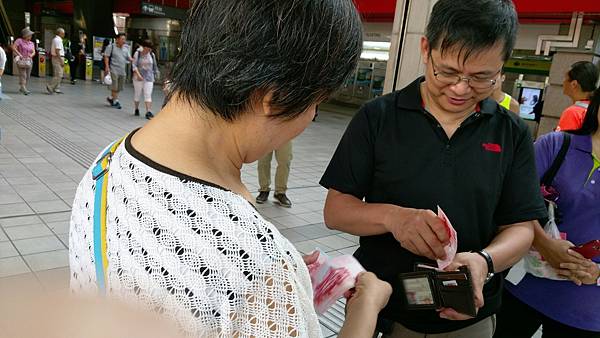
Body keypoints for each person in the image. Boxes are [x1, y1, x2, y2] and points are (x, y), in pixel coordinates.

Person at [69, 1, 392, 337]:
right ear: (275, 98)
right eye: (316, 103)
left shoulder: (107, 162)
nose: (311, 117)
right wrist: (364, 309)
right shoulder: (257, 266)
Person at [319, 0, 547, 336]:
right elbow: (336, 211)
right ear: (426, 48)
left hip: (470, 314)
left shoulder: (511, 132)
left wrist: (484, 262)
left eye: (482, 77)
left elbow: (522, 228)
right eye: (448, 71)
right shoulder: (378, 118)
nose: (460, 88)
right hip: (384, 307)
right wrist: (393, 218)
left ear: (502, 67)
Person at [495, 89, 600, 338]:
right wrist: (545, 244)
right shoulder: (556, 145)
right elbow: (509, 201)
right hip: (521, 287)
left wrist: (597, 273)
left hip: (585, 310)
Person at [556, 61, 599, 132]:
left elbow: (562, 142)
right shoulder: (596, 110)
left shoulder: (573, 113)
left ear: (574, 84)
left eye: (566, 79)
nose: (563, 82)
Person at [256, 142, 293, 207]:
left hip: (285, 135)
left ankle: (280, 192)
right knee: (263, 162)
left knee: (285, 162)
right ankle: (264, 190)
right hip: (265, 135)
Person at [132, 39, 159, 119]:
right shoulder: (138, 53)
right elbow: (134, 65)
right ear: (143, 47)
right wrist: (138, 74)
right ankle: (136, 109)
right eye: (147, 48)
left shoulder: (152, 54)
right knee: (137, 94)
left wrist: (156, 73)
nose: (148, 50)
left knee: (148, 94)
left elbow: (154, 66)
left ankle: (148, 111)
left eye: (150, 49)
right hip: (138, 78)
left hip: (149, 78)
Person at [104, 33, 133, 109]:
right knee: (114, 87)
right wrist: (107, 66)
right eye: (122, 39)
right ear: (117, 39)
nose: (124, 41)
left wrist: (134, 60)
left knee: (119, 87)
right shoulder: (111, 47)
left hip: (122, 71)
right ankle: (116, 101)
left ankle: (111, 98)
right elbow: (106, 56)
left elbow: (129, 58)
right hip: (114, 70)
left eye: (124, 39)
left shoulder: (126, 48)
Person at [12, 27, 36, 95]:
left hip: (29, 61)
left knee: (28, 75)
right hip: (21, 60)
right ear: (25, 35)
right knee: (23, 75)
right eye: (30, 35)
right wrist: (19, 54)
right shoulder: (19, 40)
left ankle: (22, 86)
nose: (31, 36)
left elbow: (34, 51)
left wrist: (32, 55)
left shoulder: (31, 43)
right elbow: (13, 47)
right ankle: (23, 87)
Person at [46, 27, 65, 94]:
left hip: (56, 58)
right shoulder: (58, 40)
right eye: (63, 33)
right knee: (59, 74)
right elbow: (57, 51)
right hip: (58, 58)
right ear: (60, 33)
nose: (64, 34)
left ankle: (56, 88)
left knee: (57, 73)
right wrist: (61, 60)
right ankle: (50, 86)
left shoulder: (56, 39)